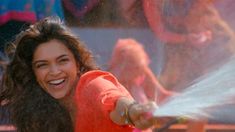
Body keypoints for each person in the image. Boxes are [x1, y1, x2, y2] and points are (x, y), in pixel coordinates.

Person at [0, 17, 160, 132]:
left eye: (62, 61)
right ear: (33, 73)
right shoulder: (42, 109)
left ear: (77, 63)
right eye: (42, 65)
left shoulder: (92, 85)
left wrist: (133, 111)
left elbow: (113, 100)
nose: (55, 72)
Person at [109, 38, 175, 104]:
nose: (140, 73)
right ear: (123, 66)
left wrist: (183, 99)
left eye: (140, 68)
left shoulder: (141, 71)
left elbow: (161, 95)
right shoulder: (109, 83)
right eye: (136, 68)